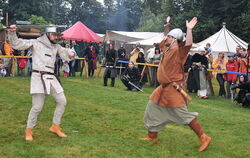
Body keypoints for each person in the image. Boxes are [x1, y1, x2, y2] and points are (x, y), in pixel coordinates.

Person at [140, 17, 211, 152]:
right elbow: (166, 35)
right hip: (162, 89)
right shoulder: (166, 48)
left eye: (170, 37)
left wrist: (189, 30)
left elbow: (189, 43)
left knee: (183, 115)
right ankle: (152, 136)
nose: (167, 38)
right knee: (152, 109)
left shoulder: (179, 51)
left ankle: (204, 137)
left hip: (174, 89)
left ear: (174, 39)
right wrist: (167, 25)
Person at [7, 25, 75, 141]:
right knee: (37, 107)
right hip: (38, 77)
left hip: (51, 78)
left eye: (56, 35)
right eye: (54, 35)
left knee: (62, 101)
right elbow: (17, 44)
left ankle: (55, 126)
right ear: (48, 35)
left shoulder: (56, 46)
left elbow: (65, 52)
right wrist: (12, 32)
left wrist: (70, 53)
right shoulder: (36, 43)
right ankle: (29, 130)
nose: (56, 37)